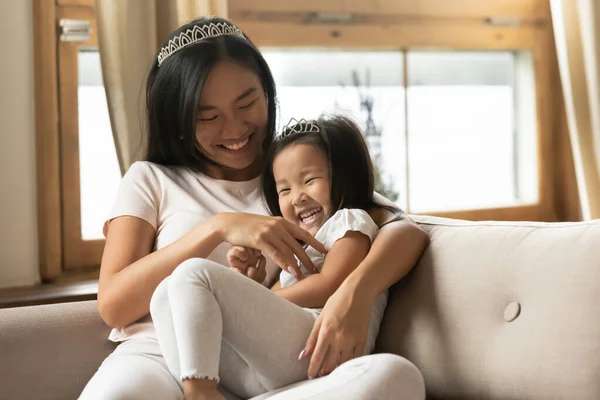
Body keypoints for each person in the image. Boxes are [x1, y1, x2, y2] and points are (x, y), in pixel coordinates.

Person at [79, 16, 429, 400]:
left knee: (393, 377)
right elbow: (113, 305)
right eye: (208, 117)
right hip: (156, 353)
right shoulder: (151, 179)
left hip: (257, 364)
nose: (235, 128)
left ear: (267, 93)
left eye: (247, 103)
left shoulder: (292, 175)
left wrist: (355, 295)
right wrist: (217, 228)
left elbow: (404, 231)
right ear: (178, 121)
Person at [149, 115, 394, 400]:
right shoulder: (301, 242)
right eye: (285, 189)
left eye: (310, 180)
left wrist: (245, 300)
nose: (297, 197)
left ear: (344, 177)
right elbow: (276, 303)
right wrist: (247, 287)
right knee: (164, 292)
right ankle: (209, 388)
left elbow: (330, 285)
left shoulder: (350, 221)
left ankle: (199, 393)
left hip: (323, 343)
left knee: (194, 273)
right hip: (277, 367)